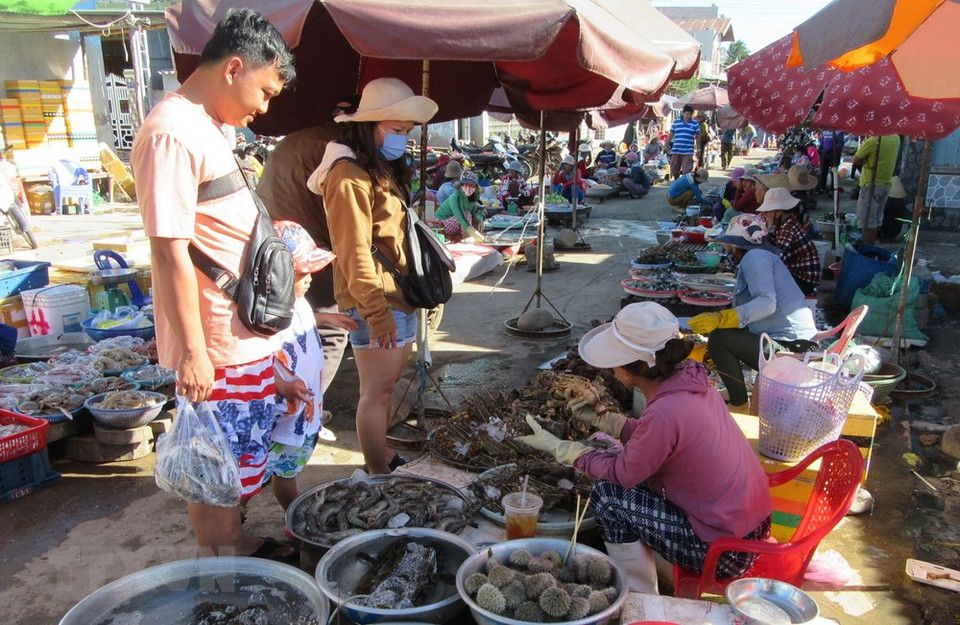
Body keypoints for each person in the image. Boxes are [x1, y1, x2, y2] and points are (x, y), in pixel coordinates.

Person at [130, 8, 297, 560]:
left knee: (238, 462)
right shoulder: (171, 133)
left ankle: (237, 544)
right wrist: (195, 354)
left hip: (238, 342)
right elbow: (169, 249)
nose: (264, 107)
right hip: (214, 351)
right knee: (212, 468)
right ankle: (221, 570)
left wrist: (270, 367)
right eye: (265, 90)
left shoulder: (206, 127)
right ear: (233, 68)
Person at [514, 302, 772, 593]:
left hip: (725, 551)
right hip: (750, 527)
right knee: (611, 456)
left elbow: (624, 473)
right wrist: (606, 420)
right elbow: (655, 440)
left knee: (608, 496)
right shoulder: (691, 383)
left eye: (615, 360)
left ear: (627, 371)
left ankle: (640, 597)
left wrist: (564, 450)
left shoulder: (665, 412)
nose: (611, 368)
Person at [307, 77, 438, 475]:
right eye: (397, 130)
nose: (403, 139)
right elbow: (352, 250)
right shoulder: (346, 174)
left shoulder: (371, 167)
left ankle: (380, 459)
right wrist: (376, 311)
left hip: (394, 294)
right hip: (376, 299)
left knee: (384, 389)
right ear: (371, 126)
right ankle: (377, 472)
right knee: (376, 394)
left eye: (406, 131)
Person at [258, 96, 358, 412]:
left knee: (290, 322)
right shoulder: (338, 148)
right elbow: (342, 214)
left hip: (269, 240)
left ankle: (289, 395)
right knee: (330, 332)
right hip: (303, 245)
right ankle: (308, 406)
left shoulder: (301, 138)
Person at [266, 221, 355, 510]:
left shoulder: (299, 301)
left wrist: (326, 319)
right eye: (302, 273)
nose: (309, 280)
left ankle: (292, 510)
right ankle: (286, 511)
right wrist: (282, 385)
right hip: (283, 412)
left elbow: (301, 322)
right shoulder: (266, 313)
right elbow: (259, 362)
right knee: (268, 468)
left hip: (305, 411)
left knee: (289, 467)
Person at [689, 214, 818, 411]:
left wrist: (721, 319)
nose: (730, 250)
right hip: (794, 342)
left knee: (720, 338)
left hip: (793, 348)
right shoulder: (763, 256)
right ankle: (737, 396)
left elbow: (767, 303)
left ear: (737, 244)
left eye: (731, 246)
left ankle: (738, 404)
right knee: (726, 333)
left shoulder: (755, 257)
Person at [755, 188, 821, 295]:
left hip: (804, 280)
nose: (765, 215)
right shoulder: (785, 224)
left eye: (767, 212)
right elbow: (772, 244)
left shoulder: (788, 227)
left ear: (778, 212)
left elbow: (777, 258)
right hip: (800, 276)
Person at [853, 134, 901, 245]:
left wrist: (865, 161)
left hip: (871, 183)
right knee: (876, 220)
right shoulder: (895, 137)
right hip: (885, 183)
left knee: (867, 222)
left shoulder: (874, 140)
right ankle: (870, 247)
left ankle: (868, 249)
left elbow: (856, 159)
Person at [434, 170, 485, 242]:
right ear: (461, 185)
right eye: (466, 184)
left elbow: (473, 214)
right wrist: (477, 236)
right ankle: (466, 240)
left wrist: (480, 220)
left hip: (457, 223)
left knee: (474, 222)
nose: (468, 187)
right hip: (440, 224)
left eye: (472, 185)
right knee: (466, 215)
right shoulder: (455, 197)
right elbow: (461, 218)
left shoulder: (473, 198)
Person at [668, 104, 699, 179]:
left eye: (690, 114)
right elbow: (671, 134)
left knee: (686, 170)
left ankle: (684, 185)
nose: (688, 116)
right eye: (687, 114)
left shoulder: (695, 124)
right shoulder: (676, 122)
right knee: (675, 169)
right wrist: (666, 145)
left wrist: (699, 149)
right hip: (676, 150)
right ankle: (677, 183)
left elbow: (698, 137)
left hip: (688, 151)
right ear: (683, 113)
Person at [880, 175, 908, 242]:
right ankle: (888, 236)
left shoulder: (887, 179)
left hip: (890, 199)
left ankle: (885, 236)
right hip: (899, 201)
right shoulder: (897, 179)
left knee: (886, 218)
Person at [817, 130, 845, 194]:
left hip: (834, 155)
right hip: (825, 154)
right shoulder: (825, 132)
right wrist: (820, 149)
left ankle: (833, 189)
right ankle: (822, 187)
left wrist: (833, 149)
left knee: (833, 172)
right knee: (824, 171)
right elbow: (822, 142)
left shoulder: (839, 132)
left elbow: (841, 143)